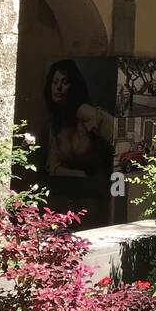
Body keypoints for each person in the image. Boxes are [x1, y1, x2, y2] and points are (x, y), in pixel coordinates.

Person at [42, 61, 116, 224]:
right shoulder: (56, 123)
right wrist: (78, 174)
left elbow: (120, 134)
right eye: (55, 82)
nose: (58, 88)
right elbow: (52, 166)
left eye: (65, 82)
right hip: (67, 197)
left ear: (74, 86)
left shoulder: (86, 113)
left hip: (97, 198)